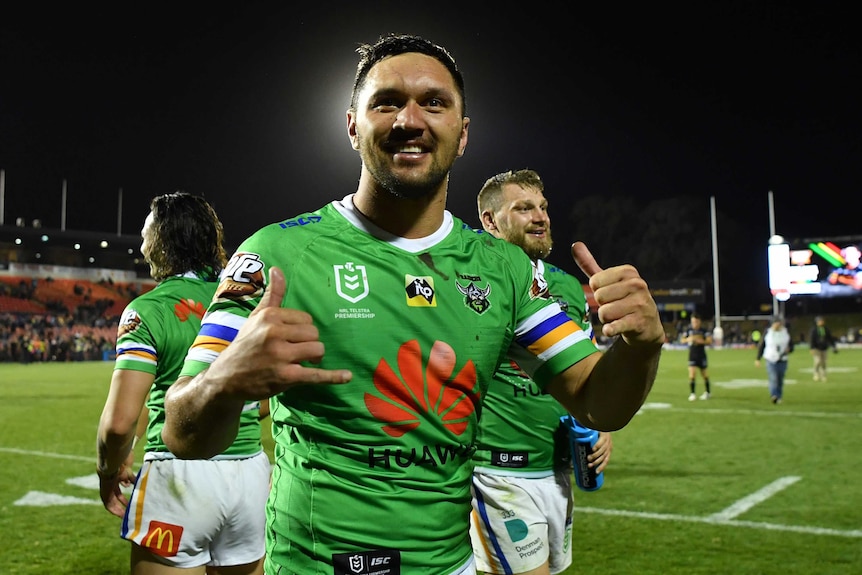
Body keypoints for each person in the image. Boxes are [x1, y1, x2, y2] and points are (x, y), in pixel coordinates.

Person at [161, 33, 664, 575]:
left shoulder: (505, 270)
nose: (410, 119)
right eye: (387, 102)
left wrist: (641, 348)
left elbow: (596, 403)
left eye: (434, 103)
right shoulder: (275, 252)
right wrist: (223, 382)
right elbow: (183, 434)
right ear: (353, 125)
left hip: (448, 565)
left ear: (462, 134)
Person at [96, 192, 270, 574]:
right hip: (251, 476)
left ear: (160, 241)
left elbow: (118, 423)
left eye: (145, 232)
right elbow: (262, 403)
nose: (141, 243)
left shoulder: (148, 309)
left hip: (179, 475)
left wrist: (109, 471)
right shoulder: (243, 303)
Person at [470, 168, 613, 575]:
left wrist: (602, 426)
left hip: (556, 470)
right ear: (489, 220)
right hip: (497, 473)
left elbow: (586, 371)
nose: (541, 217)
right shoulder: (471, 279)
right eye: (524, 208)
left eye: (544, 207)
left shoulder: (567, 287)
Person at [755, 317, 794, 404]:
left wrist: (789, 349)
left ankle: (779, 396)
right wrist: (758, 358)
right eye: (775, 323)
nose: (777, 325)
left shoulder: (785, 332)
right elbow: (762, 345)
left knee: (780, 378)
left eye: (778, 323)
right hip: (770, 359)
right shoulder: (768, 333)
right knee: (773, 378)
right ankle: (774, 395)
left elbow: (791, 346)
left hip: (782, 359)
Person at [681, 312, 712, 401]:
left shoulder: (704, 331)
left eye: (696, 322)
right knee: (692, 374)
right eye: (693, 322)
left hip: (701, 354)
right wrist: (688, 339)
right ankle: (692, 394)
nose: (694, 324)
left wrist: (701, 341)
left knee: (705, 375)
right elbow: (682, 340)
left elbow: (709, 341)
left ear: (699, 322)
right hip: (692, 354)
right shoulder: (688, 330)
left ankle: (707, 392)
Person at [808, 315, 838, 382]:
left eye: (822, 321)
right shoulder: (814, 330)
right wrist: (811, 348)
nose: (821, 322)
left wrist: (834, 346)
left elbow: (830, 338)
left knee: (824, 362)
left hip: (824, 348)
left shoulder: (826, 329)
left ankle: (823, 375)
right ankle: (816, 373)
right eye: (820, 321)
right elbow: (811, 339)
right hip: (816, 348)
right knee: (818, 361)